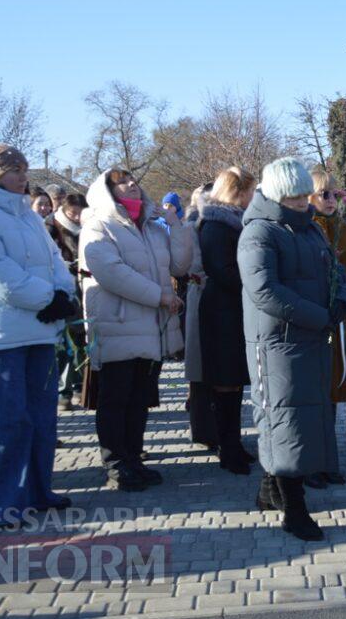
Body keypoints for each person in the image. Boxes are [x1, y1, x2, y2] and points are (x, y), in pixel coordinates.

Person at [0, 144, 78, 527]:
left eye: (24, 169)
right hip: (1, 333)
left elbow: (55, 260)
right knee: (7, 420)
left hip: (39, 329)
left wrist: (64, 293)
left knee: (41, 418)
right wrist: (47, 298)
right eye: (15, 170)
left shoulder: (26, 216)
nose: (24, 176)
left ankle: (37, 491)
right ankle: (3, 503)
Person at [238, 157, 346, 541]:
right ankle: (295, 510)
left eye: (306, 195)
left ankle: (271, 491)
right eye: (296, 197)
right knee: (284, 422)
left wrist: (341, 300)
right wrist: (318, 316)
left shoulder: (310, 231)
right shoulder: (259, 233)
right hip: (278, 345)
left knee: (300, 421)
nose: (304, 203)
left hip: (311, 340)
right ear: (276, 195)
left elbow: (335, 270)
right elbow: (265, 291)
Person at [80, 169, 191, 491]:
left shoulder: (152, 228)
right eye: (121, 182)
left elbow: (180, 266)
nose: (131, 184)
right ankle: (116, 463)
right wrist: (160, 296)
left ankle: (133, 459)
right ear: (108, 191)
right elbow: (110, 272)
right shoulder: (99, 225)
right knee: (115, 398)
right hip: (118, 323)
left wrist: (176, 226)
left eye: (132, 180)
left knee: (139, 398)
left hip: (152, 325)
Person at [308, 169, 346, 489]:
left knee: (333, 393)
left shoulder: (345, 230)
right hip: (316, 323)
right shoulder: (304, 229)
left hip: (342, 321)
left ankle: (328, 461)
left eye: (334, 194)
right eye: (323, 194)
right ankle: (313, 463)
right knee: (317, 396)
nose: (331, 200)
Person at [198, 167, 257, 476]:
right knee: (225, 384)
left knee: (234, 385)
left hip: (233, 311)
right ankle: (227, 448)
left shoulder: (234, 222)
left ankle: (234, 444)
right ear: (237, 192)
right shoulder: (215, 225)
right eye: (250, 191)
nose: (252, 197)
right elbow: (223, 270)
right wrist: (256, 284)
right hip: (221, 313)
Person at [183, 184, 219, 452]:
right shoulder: (192, 228)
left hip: (218, 299)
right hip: (202, 297)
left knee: (217, 370)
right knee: (201, 371)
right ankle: (204, 430)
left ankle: (217, 427)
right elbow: (193, 266)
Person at [49, 193, 88, 411]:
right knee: (66, 343)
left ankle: (80, 386)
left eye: (79, 213)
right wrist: (66, 265)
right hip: (64, 289)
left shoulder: (87, 226)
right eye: (72, 212)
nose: (76, 217)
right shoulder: (52, 226)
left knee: (81, 338)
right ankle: (64, 390)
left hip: (84, 285)